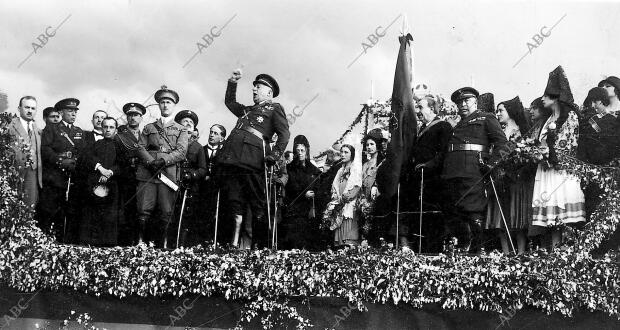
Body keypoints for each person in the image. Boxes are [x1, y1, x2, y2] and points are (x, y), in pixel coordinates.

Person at [216, 69, 290, 248]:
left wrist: (275, 155)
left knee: (258, 206)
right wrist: (232, 82)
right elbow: (230, 102)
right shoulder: (247, 110)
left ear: (269, 93)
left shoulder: (275, 108)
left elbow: (284, 134)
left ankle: (260, 246)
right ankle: (234, 244)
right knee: (235, 202)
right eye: (254, 87)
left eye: (258, 87)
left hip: (253, 161)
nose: (254, 90)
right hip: (232, 160)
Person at [442, 87, 508, 252]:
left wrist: (491, 164)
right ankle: (465, 247)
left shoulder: (487, 118)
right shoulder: (457, 125)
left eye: (467, 100)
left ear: (475, 101)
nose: (463, 104)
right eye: (459, 102)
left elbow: (504, 144)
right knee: (457, 211)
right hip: (452, 172)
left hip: (473, 171)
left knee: (473, 210)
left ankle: (479, 249)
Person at [530, 66, 585, 249]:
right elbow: (541, 142)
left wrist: (546, 153)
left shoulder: (569, 117)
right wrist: (535, 152)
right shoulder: (546, 120)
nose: (543, 99)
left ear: (555, 97)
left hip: (561, 172)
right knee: (551, 218)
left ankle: (566, 254)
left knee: (564, 216)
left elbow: (568, 145)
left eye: (546, 95)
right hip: (547, 171)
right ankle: (554, 251)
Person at [136, 86, 189, 248]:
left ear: (174, 106)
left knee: (166, 211)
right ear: (159, 105)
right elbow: (140, 147)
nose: (165, 105)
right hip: (148, 173)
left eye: (168, 102)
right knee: (144, 209)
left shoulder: (181, 129)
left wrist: (163, 160)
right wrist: (150, 162)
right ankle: (139, 243)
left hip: (168, 174)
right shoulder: (149, 127)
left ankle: (164, 244)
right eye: (162, 102)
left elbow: (181, 151)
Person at [486, 96, 531, 254]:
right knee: (500, 221)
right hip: (499, 179)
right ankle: (505, 253)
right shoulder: (497, 132)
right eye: (497, 111)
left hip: (515, 180)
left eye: (501, 111)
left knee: (517, 219)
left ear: (510, 112)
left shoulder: (521, 132)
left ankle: (520, 252)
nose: (498, 114)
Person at [39, 98, 86, 242]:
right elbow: (45, 150)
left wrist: (75, 163)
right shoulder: (52, 128)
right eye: (70, 111)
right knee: (50, 210)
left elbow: (82, 152)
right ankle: (45, 241)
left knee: (67, 211)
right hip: (54, 176)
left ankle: (62, 241)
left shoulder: (79, 131)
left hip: (71, 177)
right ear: (61, 112)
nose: (73, 114)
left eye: (75, 111)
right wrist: (60, 161)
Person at [410, 96, 453, 252]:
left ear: (432, 109)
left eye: (421, 107)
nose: (418, 111)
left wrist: (428, 165)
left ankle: (434, 251)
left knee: (434, 216)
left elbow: (444, 153)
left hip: (435, 179)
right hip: (421, 178)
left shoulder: (443, 126)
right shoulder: (421, 129)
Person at [79, 117, 123, 246]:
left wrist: (110, 172)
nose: (108, 130)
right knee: (92, 214)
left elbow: (123, 165)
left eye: (111, 127)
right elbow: (87, 159)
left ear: (115, 129)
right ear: (102, 128)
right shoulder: (94, 145)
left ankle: (108, 244)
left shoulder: (120, 147)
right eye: (105, 127)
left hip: (112, 187)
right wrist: (100, 168)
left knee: (109, 217)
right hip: (94, 185)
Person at [281, 135, 321, 250]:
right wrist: (304, 194)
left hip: (309, 209)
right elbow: (291, 187)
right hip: (294, 208)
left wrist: (314, 193)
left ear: (307, 150)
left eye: (302, 150)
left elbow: (318, 187)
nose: (300, 153)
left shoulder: (314, 170)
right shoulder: (290, 168)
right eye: (297, 150)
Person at [173, 110, 207, 247]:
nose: (188, 124)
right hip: (172, 182)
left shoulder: (198, 147)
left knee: (186, 215)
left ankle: (182, 245)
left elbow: (203, 169)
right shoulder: (172, 142)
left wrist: (191, 175)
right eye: (185, 121)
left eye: (191, 122)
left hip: (189, 186)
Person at [115, 102, 146, 245]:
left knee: (141, 210)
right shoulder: (120, 136)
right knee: (125, 210)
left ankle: (137, 242)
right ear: (127, 117)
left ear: (141, 117)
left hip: (142, 177)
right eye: (130, 115)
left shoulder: (145, 135)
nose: (133, 118)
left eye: (136, 115)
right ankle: (124, 243)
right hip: (126, 177)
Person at [7, 96, 42, 208]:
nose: (30, 111)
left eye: (33, 108)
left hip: (32, 174)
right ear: (19, 108)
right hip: (14, 173)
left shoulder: (37, 129)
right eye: (27, 107)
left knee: (29, 208)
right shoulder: (9, 126)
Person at [324, 144, 362, 247]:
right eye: (342, 152)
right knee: (339, 235)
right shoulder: (340, 170)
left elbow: (356, 187)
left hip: (348, 205)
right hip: (339, 205)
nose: (343, 154)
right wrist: (336, 199)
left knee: (348, 237)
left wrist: (343, 199)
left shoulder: (355, 170)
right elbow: (335, 187)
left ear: (352, 155)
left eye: (346, 152)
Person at [200, 123, 227, 243]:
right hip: (203, 189)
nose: (211, 135)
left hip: (218, 189)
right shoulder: (201, 150)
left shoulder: (225, 153)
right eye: (211, 132)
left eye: (215, 133)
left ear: (222, 138)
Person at [360, 130, 385, 245]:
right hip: (365, 198)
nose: (369, 147)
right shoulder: (365, 164)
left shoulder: (383, 162)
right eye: (367, 145)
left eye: (372, 144)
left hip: (377, 198)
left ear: (377, 145)